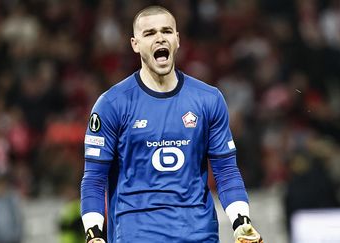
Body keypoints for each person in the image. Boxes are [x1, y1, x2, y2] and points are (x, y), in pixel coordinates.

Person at [80, 5, 263, 243]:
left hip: (199, 235)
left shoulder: (208, 99)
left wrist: (241, 222)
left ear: (177, 40)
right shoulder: (112, 104)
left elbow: (226, 171)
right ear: (135, 44)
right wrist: (94, 234)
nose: (159, 38)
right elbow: (94, 179)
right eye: (149, 33)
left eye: (166, 31)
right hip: (137, 236)